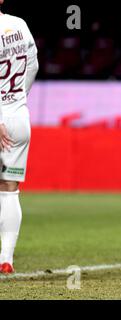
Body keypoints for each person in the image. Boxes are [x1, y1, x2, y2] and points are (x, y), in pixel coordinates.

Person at [0, 0, 39, 274]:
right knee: (9, 189)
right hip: (18, 117)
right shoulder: (20, 25)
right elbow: (33, 67)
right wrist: (16, 100)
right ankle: (6, 258)